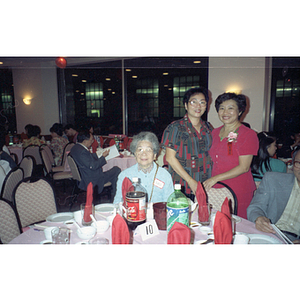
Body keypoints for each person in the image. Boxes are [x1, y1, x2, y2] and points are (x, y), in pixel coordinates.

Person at [203, 93, 259, 219]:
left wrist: (214, 178)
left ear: (239, 111)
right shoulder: (214, 132)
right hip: (215, 188)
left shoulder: (248, 134)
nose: (225, 112)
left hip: (238, 189)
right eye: (222, 108)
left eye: (230, 108)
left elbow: (244, 167)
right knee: (216, 223)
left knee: (237, 226)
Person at [161, 87, 213, 199]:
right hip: (182, 185)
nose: (198, 106)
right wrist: (191, 181)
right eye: (194, 102)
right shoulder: (175, 127)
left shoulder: (208, 127)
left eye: (202, 102)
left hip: (205, 184)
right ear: (186, 105)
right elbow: (170, 158)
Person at [247, 149, 300, 243]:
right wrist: (258, 218)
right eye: (298, 163)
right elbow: (255, 207)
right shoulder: (272, 179)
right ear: (292, 164)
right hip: (267, 233)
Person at [114, 131, 174, 205]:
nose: (144, 154)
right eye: (140, 150)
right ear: (135, 154)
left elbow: (169, 204)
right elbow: (117, 203)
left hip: (158, 215)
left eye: (148, 150)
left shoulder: (165, 176)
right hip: (132, 215)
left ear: (155, 155)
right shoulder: (124, 175)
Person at [70, 128, 121, 199]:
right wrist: (103, 157)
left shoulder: (75, 148)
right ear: (85, 141)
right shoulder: (83, 152)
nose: (93, 141)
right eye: (91, 140)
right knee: (116, 169)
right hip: (93, 179)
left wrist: (97, 154)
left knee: (113, 176)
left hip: (85, 176)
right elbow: (93, 166)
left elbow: (87, 158)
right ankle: (115, 195)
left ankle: (113, 193)